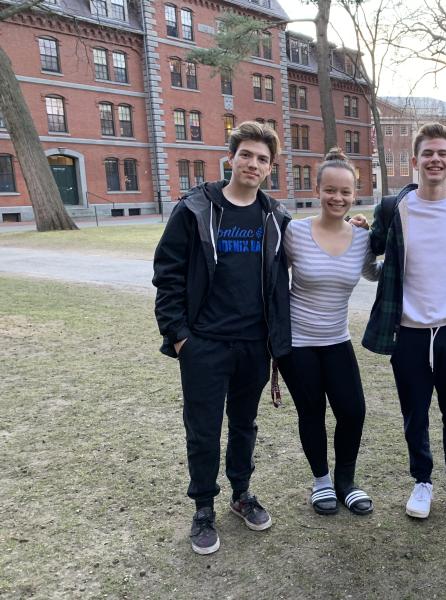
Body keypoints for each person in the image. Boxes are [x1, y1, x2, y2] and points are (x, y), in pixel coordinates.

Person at [153, 121, 291, 555]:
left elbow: (308, 253)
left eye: (262, 159)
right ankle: (203, 509)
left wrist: (352, 225)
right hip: (204, 345)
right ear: (231, 157)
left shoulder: (274, 216)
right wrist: (179, 337)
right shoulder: (195, 209)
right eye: (246, 155)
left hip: (253, 345)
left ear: (271, 168)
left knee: (244, 425)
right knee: (203, 429)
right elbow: (167, 274)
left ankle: (240, 494)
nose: (253, 164)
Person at [362, 123, 446, 520]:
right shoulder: (392, 207)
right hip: (409, 334)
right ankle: (422, 481)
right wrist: (379, 259)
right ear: (415, 161)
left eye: (442, 154)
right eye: (427, 154)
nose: (435, 160)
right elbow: (370, 262)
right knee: (414, 413)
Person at [276, 148, 380, 516]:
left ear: (355, 194)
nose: (338, 198)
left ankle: (345, 482)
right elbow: (269, 278)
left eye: (345, 192)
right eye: (330, 190)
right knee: (312, 412)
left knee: (353, 411)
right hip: (298, 343)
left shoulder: (362, 238)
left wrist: (408, 260)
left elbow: (374, 274)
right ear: (317, 191)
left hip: (337, 339)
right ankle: (321, 481)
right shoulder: (294, 232)